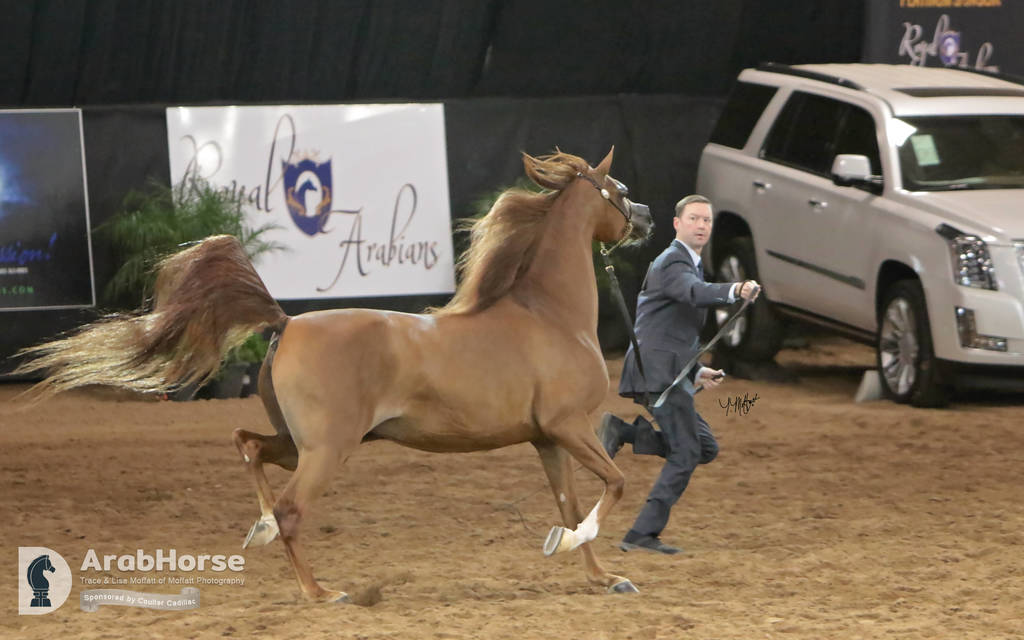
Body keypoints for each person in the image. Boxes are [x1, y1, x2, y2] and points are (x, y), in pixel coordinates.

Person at [598, 194, 760, 554]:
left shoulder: (686, 263)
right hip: (657, 371)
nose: (702, 225)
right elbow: (694, 293)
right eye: (695, 219)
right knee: (687, 452)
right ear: (677, 224)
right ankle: (641, 534)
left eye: (707, 220)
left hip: (665, 369)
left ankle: (622, 431)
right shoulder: (673, 262)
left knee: (704, 447)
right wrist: (735, 289)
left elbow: (671, 326)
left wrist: (698, 371)